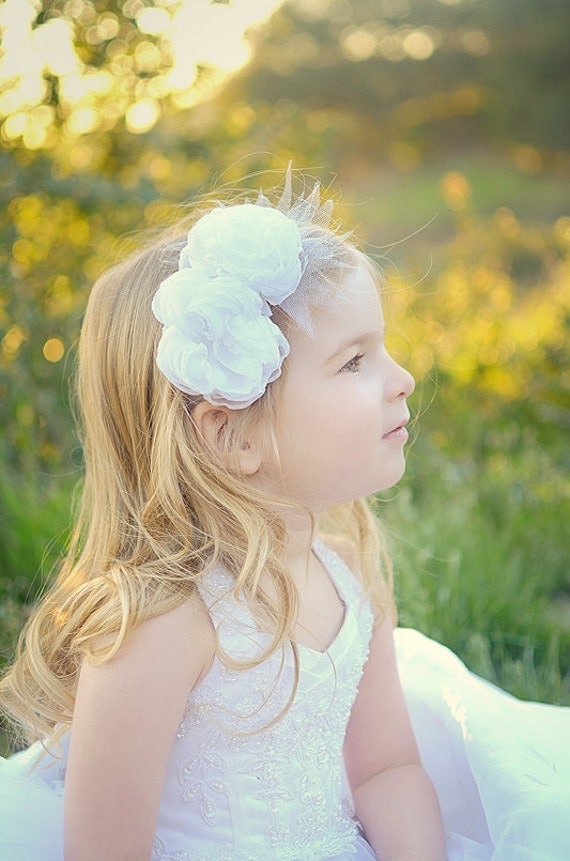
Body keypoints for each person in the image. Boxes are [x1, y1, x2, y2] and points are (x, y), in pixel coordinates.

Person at [0, 169, 568, 861]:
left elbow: (385, 767)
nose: (403, 378)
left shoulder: (346, 571)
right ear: (233, 435)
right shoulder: (163, 623)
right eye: (355, 361)